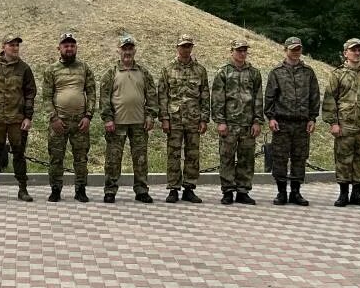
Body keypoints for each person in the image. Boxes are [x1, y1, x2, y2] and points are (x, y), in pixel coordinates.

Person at [321, 37, 360, 207]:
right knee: (343, 160)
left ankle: (357, 193)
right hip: (345, 125)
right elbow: (330, 99)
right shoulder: (337, 74)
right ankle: (343, 194)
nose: (357, 53)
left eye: (359, 50)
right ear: (345, 53)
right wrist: (333, 122)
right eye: (353, 50)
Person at [99, 34, 157, 204]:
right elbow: (104, 99)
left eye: (130, 48)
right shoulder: (111, 73)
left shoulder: (143, 72)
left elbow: (152, 96)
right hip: (117, 124)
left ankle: (141, 190)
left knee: (140, 159)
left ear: (135, 50)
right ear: (119, 50)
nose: (127, 52)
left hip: (139, 123)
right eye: (124, 48)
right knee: (113, 159)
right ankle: (110, 190)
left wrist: (150, 115)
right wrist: (108, 119)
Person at [264, 36, 320, 206]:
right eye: (292, 49)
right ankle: (281, 192)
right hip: (282, 122)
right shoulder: (276, 72)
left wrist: (312, 118)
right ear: (285, 50)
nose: (295, 52)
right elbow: (270, 97)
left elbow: (314, 96)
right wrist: (271, 117)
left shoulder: (308, 72)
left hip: (302, 123)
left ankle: (295, 192)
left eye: (298, 49)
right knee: (280, 157)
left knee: (299, 157)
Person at [0, 34, 37, 201]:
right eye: (11, 45)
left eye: (17, 45)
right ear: (3, 47)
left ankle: (23, 189)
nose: (15, 48)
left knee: (19, 154)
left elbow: (30, 93)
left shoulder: (24, 68)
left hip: (17, 120)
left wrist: (28, 117)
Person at [41, 31, 96, 202]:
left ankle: (80, 190)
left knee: (81, 159)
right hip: (59, 122)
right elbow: (46, 97)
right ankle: (55, 189)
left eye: (72, 45)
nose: (69, 48)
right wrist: (54, 118)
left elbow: (92, 93)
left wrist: (88, 116)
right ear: (59, 48)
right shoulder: (51, 70)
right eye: (66, 45)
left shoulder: (85, 68)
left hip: (80, 121)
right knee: (56, 158)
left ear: (76, 47)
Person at [211, 39, 264, 205]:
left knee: (246, 158)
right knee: (226, 157)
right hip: (229, 123)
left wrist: (257, 121)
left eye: (244, 50)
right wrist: (220, 121)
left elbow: (258, 99)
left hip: (247, 124)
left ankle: (243, 191)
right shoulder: (223, 72)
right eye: (239, 50)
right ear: (231, 51)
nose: (242, 53)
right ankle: (227, 190)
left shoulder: (254, 73)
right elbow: (218, 99)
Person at [158, 34, 209, 203]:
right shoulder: (167, 69)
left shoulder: (200, 70)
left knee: (192, 154)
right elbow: (163, 95)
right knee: (173, 154)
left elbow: (204, 95)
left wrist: (204, 119)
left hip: (194, 119)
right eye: (183, 46)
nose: (186, 49)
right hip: (174, 119)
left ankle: (189, 188)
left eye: (188, 46)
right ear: (177, 47)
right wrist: (164, 118)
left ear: (192, 48)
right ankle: (173, 188)